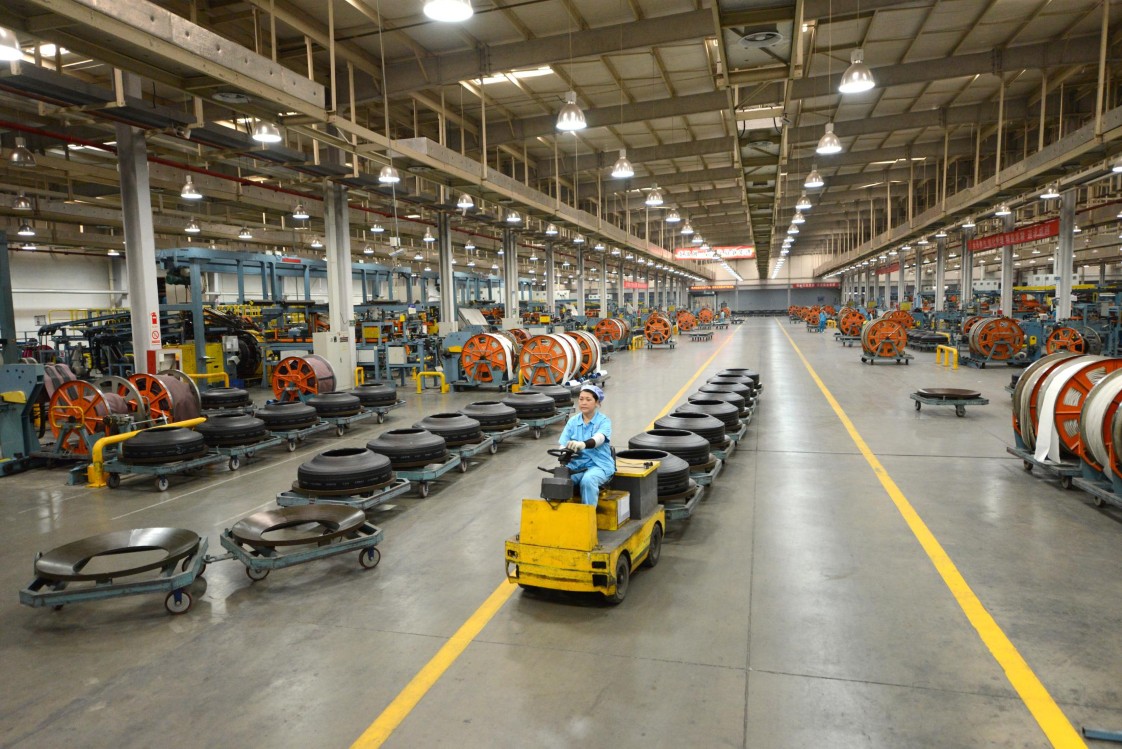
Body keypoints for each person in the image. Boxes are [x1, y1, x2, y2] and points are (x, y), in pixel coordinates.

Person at [558, 384, 613, 506]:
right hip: (577, 465)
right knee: (560, 481)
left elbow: (599, 438)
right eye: (581, 399)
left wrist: (583, 444)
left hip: (599, 465)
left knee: (588, 480)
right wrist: (565, 451)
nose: (584, 402)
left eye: (588, 399)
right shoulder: (573, 421)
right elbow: (562, 444)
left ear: (597, 402)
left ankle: (589, 514)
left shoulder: (603, 421)